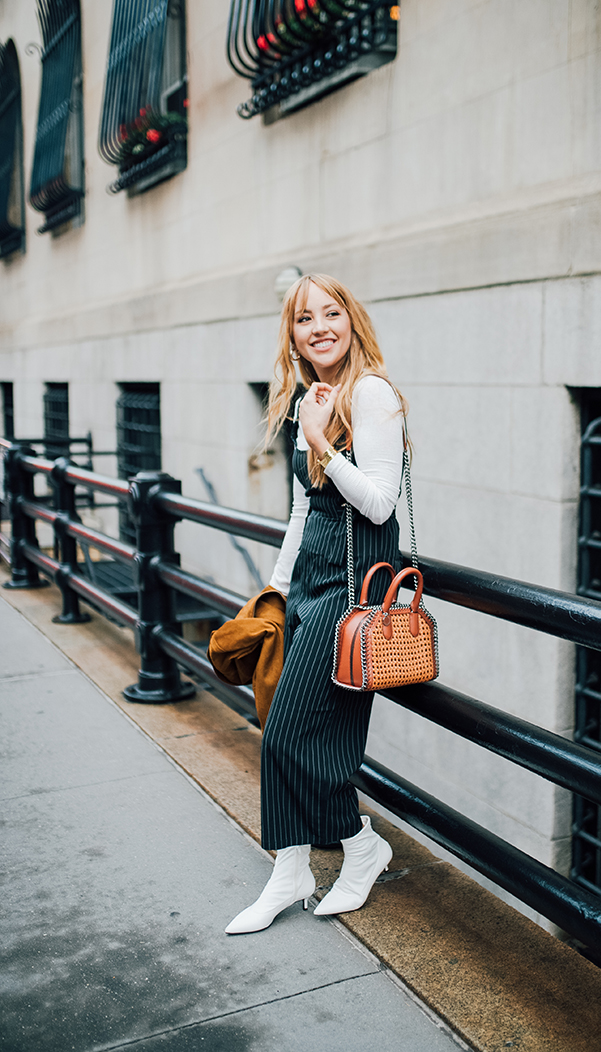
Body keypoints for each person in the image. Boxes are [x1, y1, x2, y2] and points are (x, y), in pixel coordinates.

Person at [225, 274, 408, 934]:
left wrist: (325, 443)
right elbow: (303, 507)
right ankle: (293, 867)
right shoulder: (311, 397)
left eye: (332, 312)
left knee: (289, 737)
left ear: (351, 321)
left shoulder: (373, 394)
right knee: (289, 731)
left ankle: (357, 849)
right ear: (294, 334)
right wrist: (276, 590)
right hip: (309, 585)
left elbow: (381, 503)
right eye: (306, 318)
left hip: (356, 590)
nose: (320, 326)